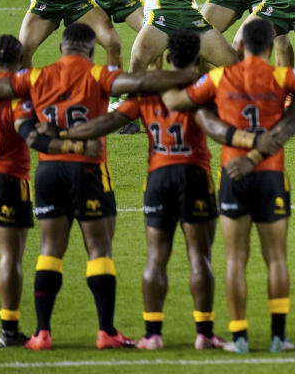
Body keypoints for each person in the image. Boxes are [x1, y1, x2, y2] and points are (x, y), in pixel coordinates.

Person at [161, 18, 295, 354]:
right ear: (270, 46)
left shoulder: (219, 77)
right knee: (276, 259)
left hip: (234, 174)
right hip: (272, 174)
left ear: (242, 45)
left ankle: (240, 337)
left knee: (235, 260)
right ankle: (278, 337)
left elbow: (174, 102)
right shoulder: (282, 76)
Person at [0, 22, 199, 350]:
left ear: (61, 48)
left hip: (49, 171)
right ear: (89, 50)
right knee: (99, 250)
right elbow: (141, 80)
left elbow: (1, 88)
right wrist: (186, 76)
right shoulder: (98, 75)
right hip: (89, 170)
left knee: (48, 251)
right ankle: (106, 332)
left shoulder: (35, 77)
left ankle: (42, 333)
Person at [60, 30, 224, 351]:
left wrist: (71, 131)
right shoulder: (201, 89)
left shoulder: (146, 93)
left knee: (156, 257)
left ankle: (152, 335)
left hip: (158, 178)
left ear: (169, 55)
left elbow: (109, 122)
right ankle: (204, 333)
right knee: (199, 256)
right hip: (194, 174)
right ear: (195, 57)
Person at [0, 36, 34, 347]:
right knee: (10, 257)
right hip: (9, 180)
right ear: (20, 59)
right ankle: (9, 330)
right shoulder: (20, 91)